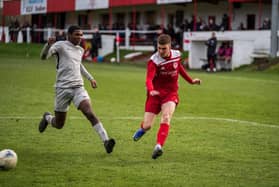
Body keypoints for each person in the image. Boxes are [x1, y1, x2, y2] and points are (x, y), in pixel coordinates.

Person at [39, 25, 115, 154]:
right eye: (77, 35)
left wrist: (90, 78)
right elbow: (43, 57)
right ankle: (47, 118)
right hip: (62, 89)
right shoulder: (60, 46)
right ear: (69, 35)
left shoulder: (80, 49)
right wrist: (47, 45)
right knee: (59, 124)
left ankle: (106, 141)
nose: (80, 37)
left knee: (89, 112)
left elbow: (78, 65)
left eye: (81, 35)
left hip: (78, 87)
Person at [132, 34, 201, 159]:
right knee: (148, 125)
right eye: (159, 48)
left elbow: (179, 68)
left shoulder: (177, 55)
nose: (161, 51)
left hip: (170, 94)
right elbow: (148, 79)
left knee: (166, 116)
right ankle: (142, 129)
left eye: (164, 48)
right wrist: (151, 89)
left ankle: (158, 146)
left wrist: (191, 81)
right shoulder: (154, 61)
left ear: (169, 47)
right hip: (155, 95)